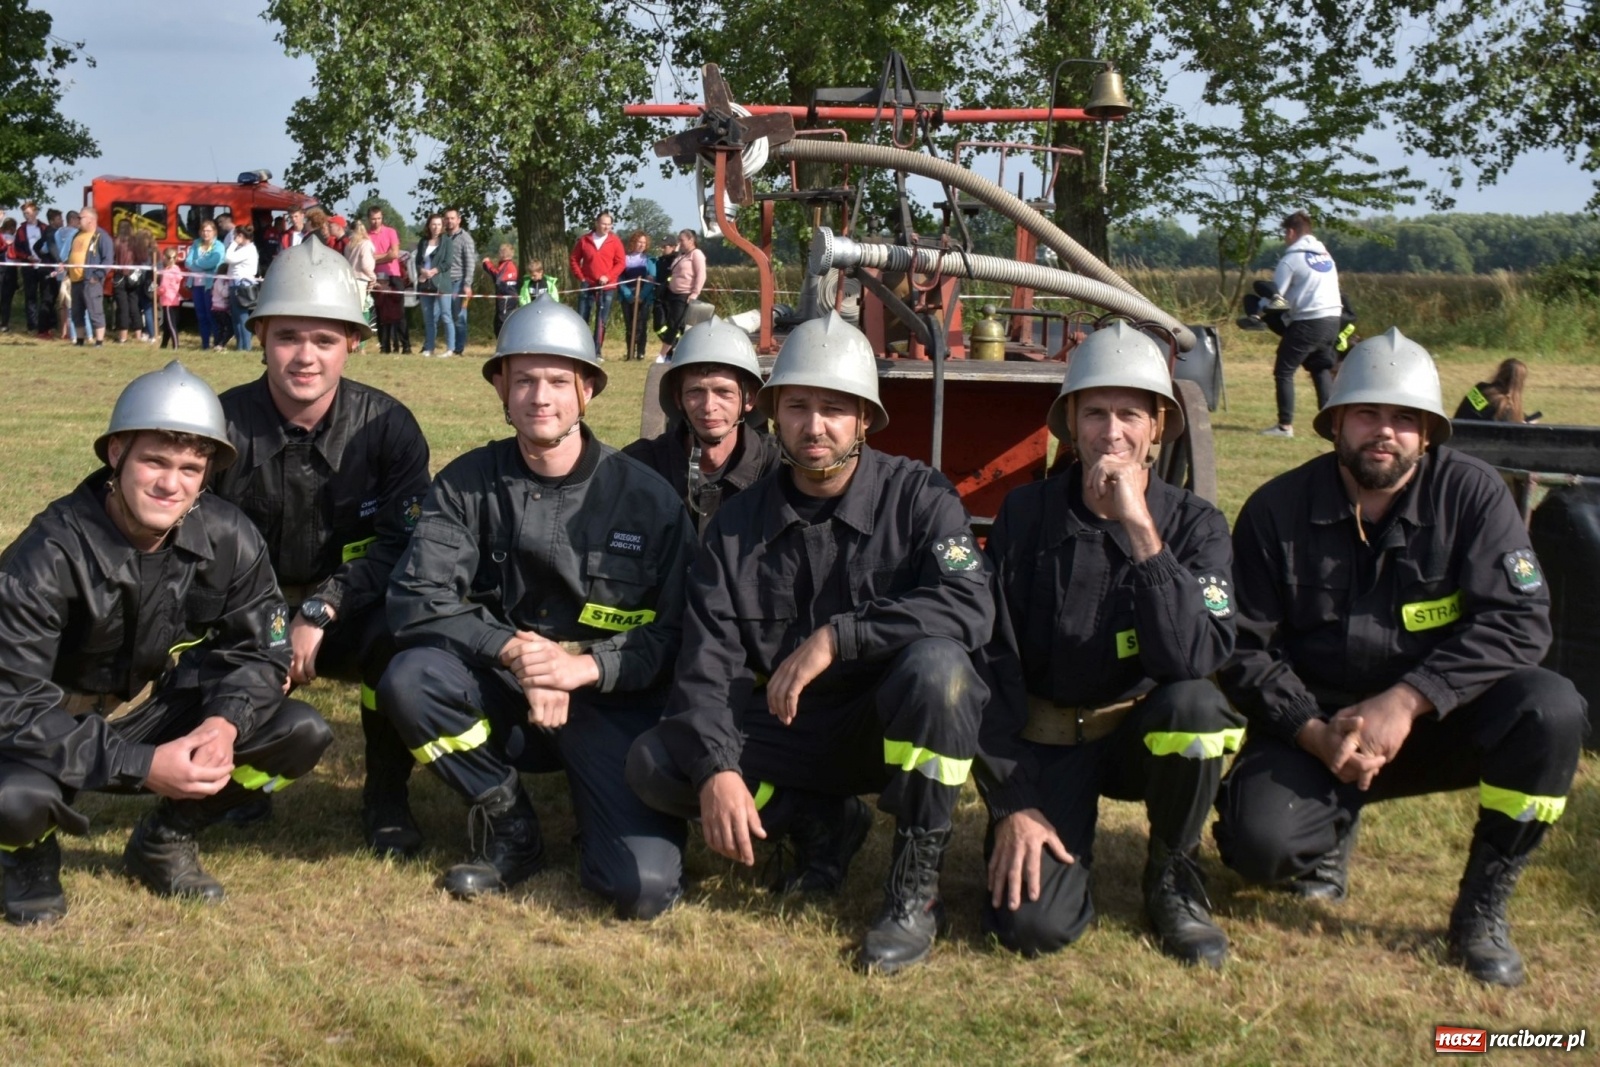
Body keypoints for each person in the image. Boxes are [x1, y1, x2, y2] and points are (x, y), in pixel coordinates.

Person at [1215, 328, 1587, 987]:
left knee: (1552, 709)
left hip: (1441, 723)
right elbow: (1242, 648)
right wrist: (1311, 730)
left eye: (1404, 419)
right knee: (1257, 847)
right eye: (1367, 414)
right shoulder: (1276, 511)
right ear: (1336, 423)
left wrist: (1410, 697)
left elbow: (1521, 619)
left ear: (1428, 432)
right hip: (1319, 730)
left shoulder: (1473, 496)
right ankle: (1327, 834)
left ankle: (1481, 908)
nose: (1384, 432)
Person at [627, 313, 993, 974]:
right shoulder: (736, 525)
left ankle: (914, 886)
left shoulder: (919, 498)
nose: (814, 425)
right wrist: (717, 769)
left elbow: (971, 603)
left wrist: (841, 636)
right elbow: (705, 666)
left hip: (883, 728)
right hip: (785, 728)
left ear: (864, 419)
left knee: (942, 670)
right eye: (797, 406)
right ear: (772, 414)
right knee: (659, 761)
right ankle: (816, 822)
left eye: (833, 408)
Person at [378, 298, 694, 917]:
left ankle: (599, 806)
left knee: (641, 888)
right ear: (501, 386)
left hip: (610, 704)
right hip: (508, 694)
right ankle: (510, 824)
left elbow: (677, 632)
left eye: (557, 380)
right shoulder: (467, 485)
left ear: (588, 390)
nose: (539, 397)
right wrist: (518, 651)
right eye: (523, 379)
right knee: (411, 680)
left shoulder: (648, 501)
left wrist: (583, 667)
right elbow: (416, 598)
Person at [0, 361, 333, 925]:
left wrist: (224, 722)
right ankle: (26, 855)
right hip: (51, 728)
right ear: (116, 456)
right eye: (154, 461)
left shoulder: (231, 536)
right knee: (13, 801)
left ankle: (168, 835)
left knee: (300, 733)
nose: (169, 483)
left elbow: (266, 647)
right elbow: (11, 704)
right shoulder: (43, 558)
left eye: (190, 467)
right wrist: (141, 763)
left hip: (152, 710)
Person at [974, 322, 1241, 970]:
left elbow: (1191, 658)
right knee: (1031, 927)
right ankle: (1049, 843)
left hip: (1139, 741)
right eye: (1095, 412)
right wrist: (1012, 800)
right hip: (1049, 744)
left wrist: (1140, 530)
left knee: (1197, 710)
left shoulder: (1194, 524)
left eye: (1129, 414)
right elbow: (991, 660)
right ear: (1070, 421)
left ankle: (1173, 874)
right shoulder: (1026, 514)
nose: (1112, 431)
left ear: (1157, 427)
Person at [209, 239, 433, 855]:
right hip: (245, 612)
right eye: (288, 338)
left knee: (402, 628)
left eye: (325, 340)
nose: (305, 357)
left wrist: (322, 607)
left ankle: (385, 796)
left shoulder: (388, 427)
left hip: (348, 610)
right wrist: (270, 625)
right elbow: (194, 552)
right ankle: (238, 779)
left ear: (352, 344)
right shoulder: (218, 427)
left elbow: (405, 544)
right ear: (260, 336)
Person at [622, 315, 779, 534]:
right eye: (695, 392)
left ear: (749, 399)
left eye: (723, 392)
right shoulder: (641, 466)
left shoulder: (777, 469)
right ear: (678, 398)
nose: (708, 406)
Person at [1260, 211, 1342, 438]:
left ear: (1290, 232)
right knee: (1320, 368)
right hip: (1333, 319)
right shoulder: (1326, 256)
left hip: (1308, 320)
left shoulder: (1291, 258)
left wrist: (1256, 310)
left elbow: (1276, 297)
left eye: (1284, 234)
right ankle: (1333, 425)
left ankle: (1284, 426)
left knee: (1283, 371)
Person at [569, 212, 624, 351]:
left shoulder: (615, 241)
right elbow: (574, 259)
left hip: (607, 286)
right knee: (582, 318)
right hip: (587, 284)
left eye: (609, 224)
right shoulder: (584, 240)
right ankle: (580, 348)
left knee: (601, 320)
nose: (606, 227)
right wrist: (581, 277)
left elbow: (621, 263)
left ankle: (597, 350)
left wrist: (608, 277)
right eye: (603, 223)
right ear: (597, 223)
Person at [657, 229, 706, 360]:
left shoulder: (697, 254)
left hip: (684, 295)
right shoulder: (681, 255)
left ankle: (662, 355)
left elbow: (701, 275)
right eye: (679, 240)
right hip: (672, 294)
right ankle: (676, 354)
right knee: (674, 324)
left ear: (691, 240)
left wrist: (695, 293)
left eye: (682, 240)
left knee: (674, 324)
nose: (679, 243)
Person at [68, 207, 114, 347]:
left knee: (95, 312)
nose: (77, 220)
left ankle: (99, 342)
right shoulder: (77, 235)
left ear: (90, 220)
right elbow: (72, 255)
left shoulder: (102, 237)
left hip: (91, 281)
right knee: (76, 312)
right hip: (75, 280)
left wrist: (97, 276)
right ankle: (80, 340)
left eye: (80, 218)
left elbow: (108, 260)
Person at [415, 213, 454, 357]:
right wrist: (423, 271)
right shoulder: (423, 242)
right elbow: (418, 261)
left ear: (442, 226)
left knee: (446, 316)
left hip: (441, 283)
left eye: (438, 224)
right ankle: (429, 348)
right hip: (425, 283)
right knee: (428, 318)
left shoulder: (447, 241)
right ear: (429, 226)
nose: (436, 227)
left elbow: (448, 262)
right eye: (433, 224)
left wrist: (435, 270)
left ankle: (450, 348)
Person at [1455, 358, 1540, 423]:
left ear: (1500, 371)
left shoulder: (1480, 389)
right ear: (1520, 382)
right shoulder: (1506, 409)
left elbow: (1480, 410)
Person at [186, 219, 228, 351]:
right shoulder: (196, 244)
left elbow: (213, 262)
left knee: (211, 315)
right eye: (203, 230)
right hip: (196, 285)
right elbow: (187, 262)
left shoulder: (219, 246)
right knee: (201, 315)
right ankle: (204, 344)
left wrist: (196, 264)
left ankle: (217, 343)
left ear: (214, 232)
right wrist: (201, 264)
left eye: (208, 231)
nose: (205, 233)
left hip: (210, 285)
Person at [616, 231, 657, 361]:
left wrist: (641, 296)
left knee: (641, 324)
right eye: (639, 242)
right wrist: (628, 295)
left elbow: (651, 279)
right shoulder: (625, 259)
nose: (641, 245)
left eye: (644, 243)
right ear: (633, 242)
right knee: (629, 324)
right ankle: (630, 352)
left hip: (644, 296)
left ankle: (640, 353)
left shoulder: (649, 260)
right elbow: (620, 277)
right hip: (627, 295)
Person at [442, 208, 475, 356]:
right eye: (447, 218)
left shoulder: (465, 238)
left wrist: (467, 284)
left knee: (460, 317)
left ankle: (458, 348)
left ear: (458, 220)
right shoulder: (442, 238)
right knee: (445, 315)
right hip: (443, 282)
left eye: (452, 218)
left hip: (459, 282)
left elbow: (470, 262)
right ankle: (450, 346)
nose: (449, 221)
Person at [224, 225, 260, 352]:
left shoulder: (248, 250)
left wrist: (234, 243)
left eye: (236, 235)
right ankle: (240, 345)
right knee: (236, 317)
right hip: (235, 284)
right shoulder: (244, 249)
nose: (234, 237)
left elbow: (228, 258)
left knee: (242, 317)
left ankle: (246, 346)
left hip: (242, 286)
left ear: (241, 236)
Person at [344, 219, 377, 336]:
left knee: (351, 310)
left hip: (350, 279)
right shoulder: (365, 244)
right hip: (361, 280)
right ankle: (359, 340)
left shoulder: (349, 244)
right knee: (361, 311)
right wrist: (373, 277)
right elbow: (365, 265)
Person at [482, 243, 519, 336]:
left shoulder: (507, 265)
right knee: (498, 321)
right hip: (505, 297)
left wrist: (487, 264)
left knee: (503, 321)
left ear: (502, 254)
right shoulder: (508, 265)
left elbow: (498, 278)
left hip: (506, 298)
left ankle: (505, 342)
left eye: (499, 252)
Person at [158, 249, 183, 349]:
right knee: (167, 324)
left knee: (171, 324)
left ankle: (176, 345)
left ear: (164, 257)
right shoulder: (177, 269)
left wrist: (157, 290)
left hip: (167, 300)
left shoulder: (167, 272)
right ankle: (163, 345)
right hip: (175, 299)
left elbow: (163, 287)